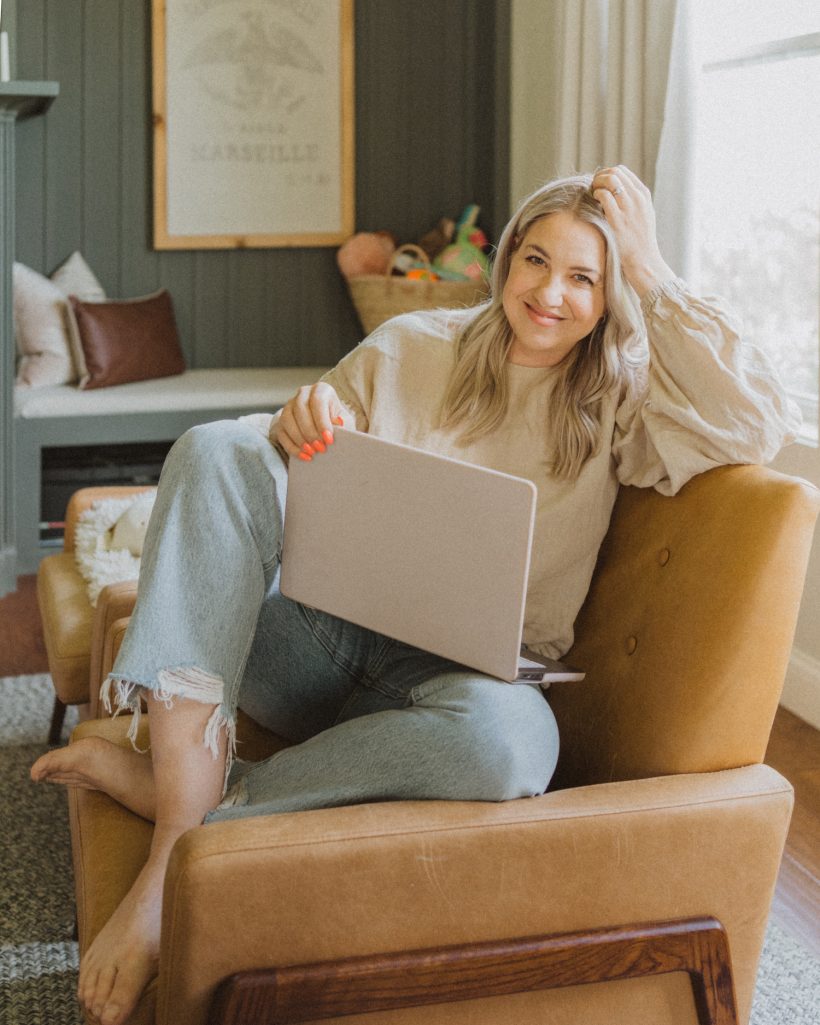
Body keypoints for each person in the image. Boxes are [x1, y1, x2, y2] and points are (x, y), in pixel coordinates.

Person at [31, 165, 798, 1025]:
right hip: (322, 641)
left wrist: (652, 269)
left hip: (467, 688)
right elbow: (257, 475)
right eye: (536, 260)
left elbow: (754, 423)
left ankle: (216, 792)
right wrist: (298, 423)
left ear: (613, 293)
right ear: (507, 257)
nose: (549, 293)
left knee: (511, 748)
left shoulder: (622, 402)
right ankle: (177, 841)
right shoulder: (412, 344)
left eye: (585, 277)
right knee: (216, 446)